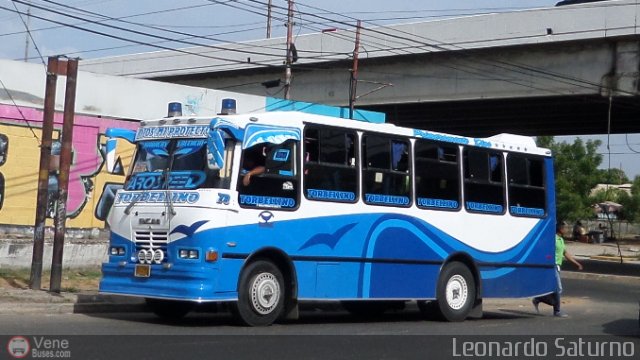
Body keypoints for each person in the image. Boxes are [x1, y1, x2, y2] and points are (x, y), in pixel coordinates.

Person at [532, 222, 583, 317]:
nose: (567, 230)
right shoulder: (553, 239)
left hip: (557, 267)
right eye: (565, 228)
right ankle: (557, 311)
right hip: (552, 266)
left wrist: (576, 263)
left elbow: (565, 253)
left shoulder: (561, 240)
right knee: (558, 288)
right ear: (560, 229)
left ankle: (539, 299)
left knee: (555, 289)